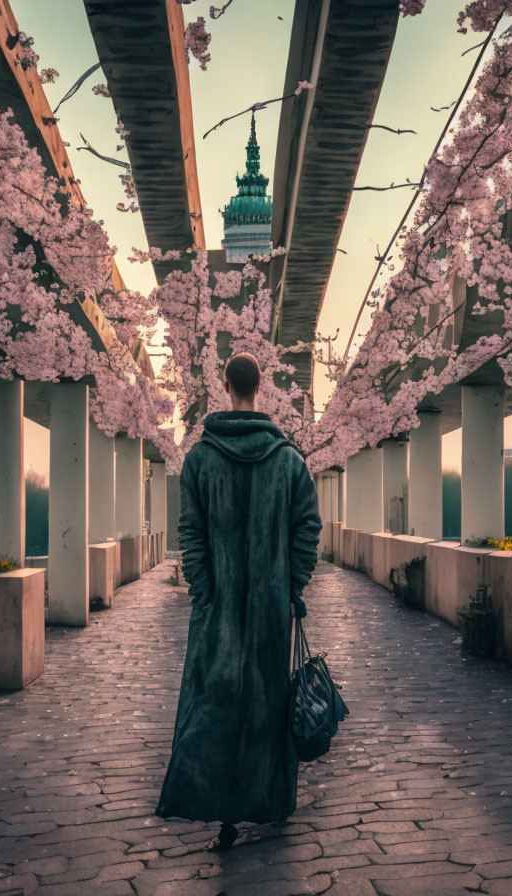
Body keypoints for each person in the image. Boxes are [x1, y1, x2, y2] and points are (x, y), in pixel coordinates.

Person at [157, 352, 322, 850]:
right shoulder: (289, 460)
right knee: (270, 704)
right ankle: (271, 802)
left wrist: (205, 593)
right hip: (273, 608)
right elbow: (308, 528)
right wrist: (292, 586)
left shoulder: (200, 460)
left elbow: (191, 533)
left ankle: (225, 815)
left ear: (225, 385)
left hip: (219, 612)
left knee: (217, 704)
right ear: (261, 386)